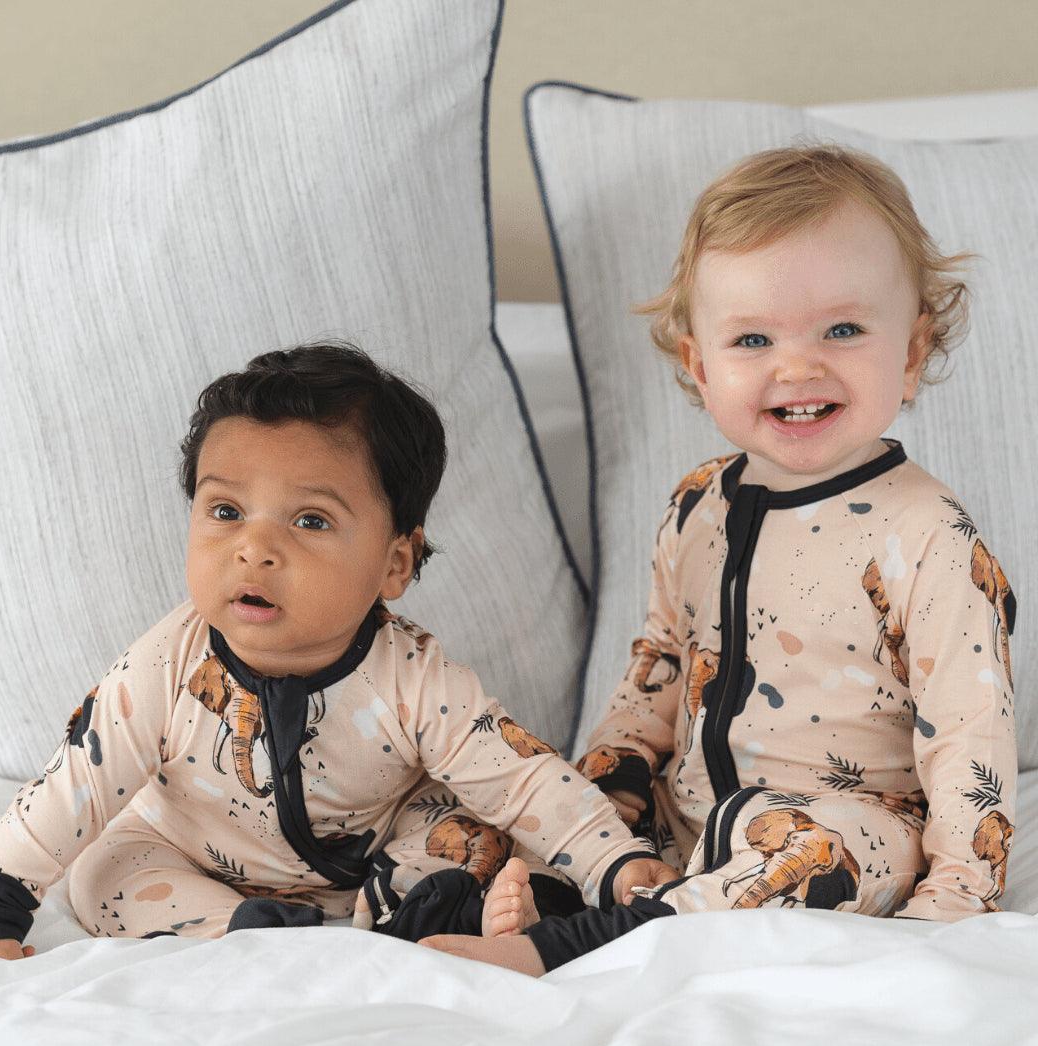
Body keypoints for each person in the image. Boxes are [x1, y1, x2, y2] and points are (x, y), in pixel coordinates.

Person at [422, 143, 1018, 975]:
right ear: (701, 368)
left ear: (912, 353)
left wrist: (951, 903)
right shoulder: (699, 503)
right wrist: (615, 781)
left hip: (847, 823)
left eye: (844, 330)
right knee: (518, 808)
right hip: (685, 820)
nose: (798, 365)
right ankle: (489, 901)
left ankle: (576, 944)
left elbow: (967, 735)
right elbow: (658, 667)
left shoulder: (928, 536)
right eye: (753, 338)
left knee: (821, 856)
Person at [0, 343, 677, 959]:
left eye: (309, 520)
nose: (254, 548)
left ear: (395, 563)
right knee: (101, 870)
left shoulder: (411, 675)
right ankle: (246, 929)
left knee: (471, 825)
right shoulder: (167, 665)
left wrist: (617, 861)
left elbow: (519, 777)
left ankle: (427, 914)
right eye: (226, 511)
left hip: (372, 862)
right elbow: (75, 783)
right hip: (191, 854)